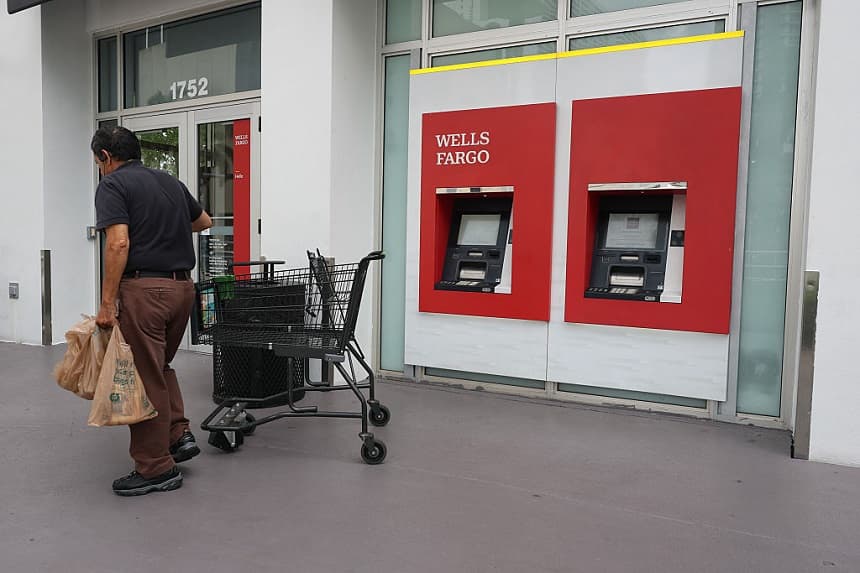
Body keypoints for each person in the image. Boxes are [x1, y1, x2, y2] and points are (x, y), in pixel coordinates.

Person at [92, 126, 212, 496]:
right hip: (181, 290)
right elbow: (204, 221)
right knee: (158, 367)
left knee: (143, 377)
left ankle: (155, 467)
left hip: (145, 291)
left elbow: (118, 243)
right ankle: (179, 434)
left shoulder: (112, 186)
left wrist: (107, 302)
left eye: (97, 162)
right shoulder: (169, 182)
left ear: (106, 158)